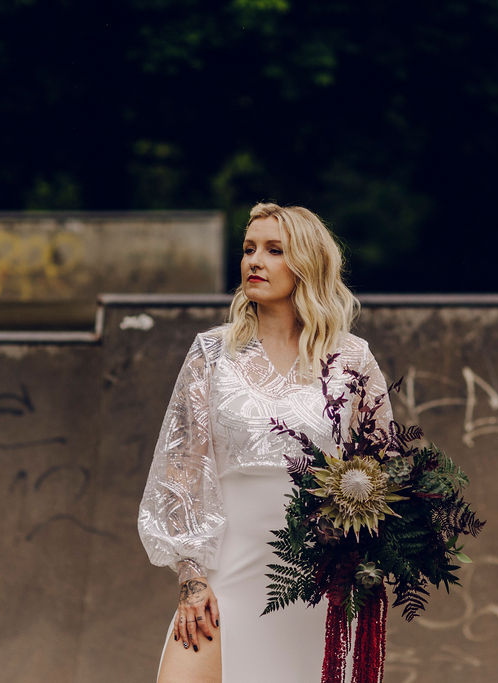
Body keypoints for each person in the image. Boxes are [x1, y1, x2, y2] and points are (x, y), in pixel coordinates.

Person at [137, 202, 390, 683]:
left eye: (274, 250)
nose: (255, 261)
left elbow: (386, 470)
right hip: (226, 573)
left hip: (319, 579)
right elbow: (181, 471)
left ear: (308, 264)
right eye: (249, 249)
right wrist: (192, 578)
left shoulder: (351, 358)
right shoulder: (212, 352)